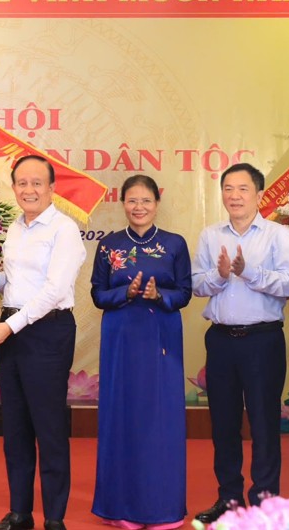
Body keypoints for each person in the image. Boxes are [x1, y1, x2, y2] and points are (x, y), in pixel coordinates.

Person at [191, 163, 289, 524]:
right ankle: (229, 499)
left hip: (261, 341)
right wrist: (221, 275)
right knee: (223, 425)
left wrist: (246, 271)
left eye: (242, 189)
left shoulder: (278, 235)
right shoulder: (210, 235)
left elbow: (288, 285)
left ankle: (265, 502)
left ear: (259, 195)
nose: (234, 196)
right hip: (221, 341)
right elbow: (196, 285)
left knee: (264, 424)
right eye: (228, 189)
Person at [0, 154, 86, 530]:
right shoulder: (15, 227)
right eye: (22, 183)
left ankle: (54, 516)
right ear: (14, 188)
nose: (29, 190)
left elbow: (55, 290)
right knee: (16, 425)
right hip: (14, 325)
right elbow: (14, 285)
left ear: (52, 188)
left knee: (49, 426)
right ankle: (19, 512)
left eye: (37, 183)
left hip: (47, 330)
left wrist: (12, 326)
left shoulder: (64, 230)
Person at [89, 175, 191, 530]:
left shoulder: (175, 244)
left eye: (146, 200)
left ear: (156, 202)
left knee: (159, 420)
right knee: (122, 416)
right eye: (132, 201)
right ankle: (121, 508)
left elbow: (184, 293)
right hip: (120, 336)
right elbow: (98, 295)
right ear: (122, 203)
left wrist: (157, 296)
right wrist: (127, 294)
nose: (139, 207)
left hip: (160, 335)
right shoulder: (109, 245)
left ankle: (162, 508)